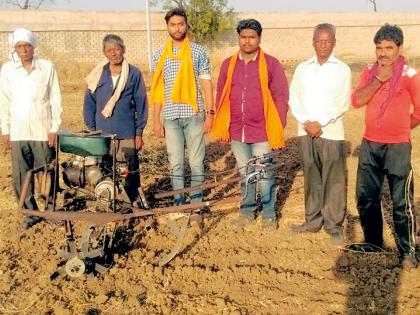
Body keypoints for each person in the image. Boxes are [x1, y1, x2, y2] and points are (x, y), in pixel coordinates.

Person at [352, 24, 420, 268]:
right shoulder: (370, 71)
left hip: (398, 148)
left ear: (399, 49)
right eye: (379, 48)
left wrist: (401, 128)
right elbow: (357, 100)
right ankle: (373, 242)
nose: (383, 53)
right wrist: (380, 79)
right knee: (366, 198)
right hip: (370, 145)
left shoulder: (410, 75)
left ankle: (408, 252)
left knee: (402, 203)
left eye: (389, 48)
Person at [212, 19, 288, 230]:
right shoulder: (229, 64)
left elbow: (281, 96)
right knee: (246, 174)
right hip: (237, 130)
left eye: (251, 37)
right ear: (239, 38)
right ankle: (247, 212)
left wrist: (277, 125)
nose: (247, 41)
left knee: (264, 175)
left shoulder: (271, 64)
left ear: (259, 39)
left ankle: (269, 215)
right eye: (243, 37)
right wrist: (223, 123)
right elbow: (222, 94)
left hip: (262, 131)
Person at [288, 23, 351, 245]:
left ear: (334, 42)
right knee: (312, 176)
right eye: (319, 41)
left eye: (327, 41)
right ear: (313, 42)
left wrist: (320, 122)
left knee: (333, 179)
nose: (323, 45)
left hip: (330, 132)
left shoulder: (342, 69)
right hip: (305, 132)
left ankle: (333, 225)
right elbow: (293, 98)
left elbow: (343, 102)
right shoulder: (303, 68)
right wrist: (305, 121)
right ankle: (312, 221)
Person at [0, 28, 63, 229]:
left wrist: (54, 128)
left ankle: (51, 210)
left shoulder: (46, 67)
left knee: (47, 171)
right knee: (21, 175)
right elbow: (4, 101)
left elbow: (55, 98)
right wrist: (5, 131)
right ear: (15, 49)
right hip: (18, 132)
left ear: (33, 46)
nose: (24, 50)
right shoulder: (8, 70)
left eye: (27, 45)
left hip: (42, 130)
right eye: (19, 46)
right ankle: (30, 213)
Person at [151, 7, 214, 206]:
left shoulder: (199, 51)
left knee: (196, 163)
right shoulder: (159, 55)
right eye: (173, 25)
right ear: (167, 27)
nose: (177, 28)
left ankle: (196, 203)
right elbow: (159, 90)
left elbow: (206, 84)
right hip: (170, 117)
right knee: (176, 164)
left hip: (194, 114)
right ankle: (179, 202)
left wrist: (210, 113)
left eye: (180, 24)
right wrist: (156, 120)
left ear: (186, 25)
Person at [84, 34, 148, 204]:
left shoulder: (133, 73)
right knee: (104, 170)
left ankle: (133, 204)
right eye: (109, 50)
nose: (113, 53)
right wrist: (92, 130)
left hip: (126, 133)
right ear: (104, 52)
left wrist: (139, 133)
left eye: (117, 49)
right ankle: (108, 202)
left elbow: (141, 104)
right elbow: (89, 103)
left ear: (123, 50)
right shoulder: (97, 74)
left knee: (129, 171)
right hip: (102, 134)